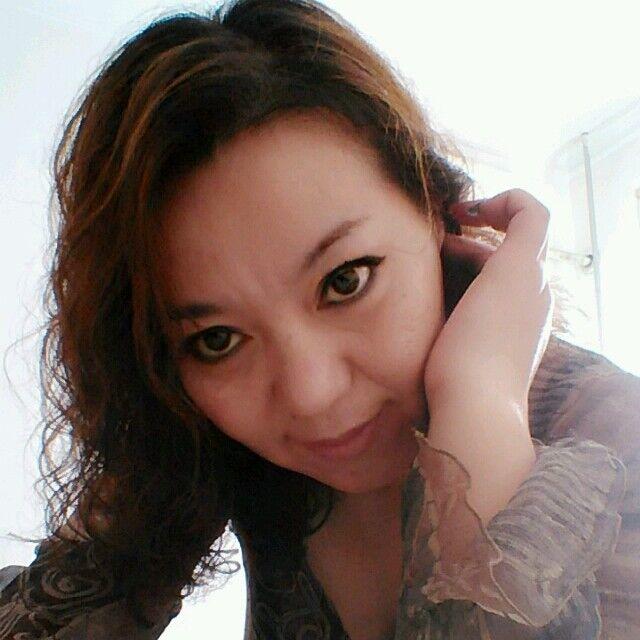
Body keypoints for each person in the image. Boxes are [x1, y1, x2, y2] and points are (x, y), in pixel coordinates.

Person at [1, 0, 639, 638]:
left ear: (439, 213)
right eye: (217, 340)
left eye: (345, 280)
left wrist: (482, 406)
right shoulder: (231, 446)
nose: (310, 394)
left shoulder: (617, 439)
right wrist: (146, 451)